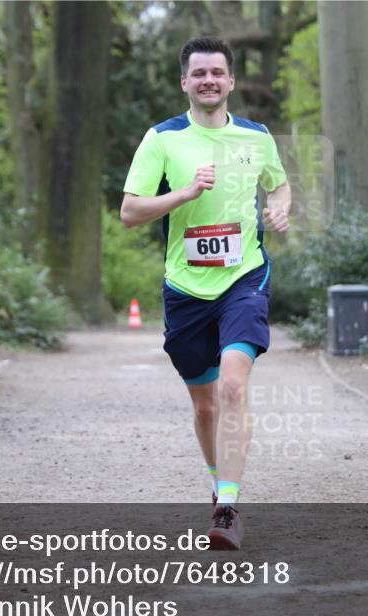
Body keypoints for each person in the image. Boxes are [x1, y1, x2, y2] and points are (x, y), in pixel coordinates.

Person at [120, 36, 291, 550]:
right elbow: (130, 212)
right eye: (199, 74)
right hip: (186, 288)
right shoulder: (162, 139)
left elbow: (279, 183)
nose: (209, 80)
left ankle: (227, 508)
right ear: (185, 83)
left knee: (234, 386)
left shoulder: (257, 137)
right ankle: (219, 482)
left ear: (231, 81)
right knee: (205, 406)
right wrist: (185, 194)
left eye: (218, 72)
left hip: (244, 276)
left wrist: (280, 206)